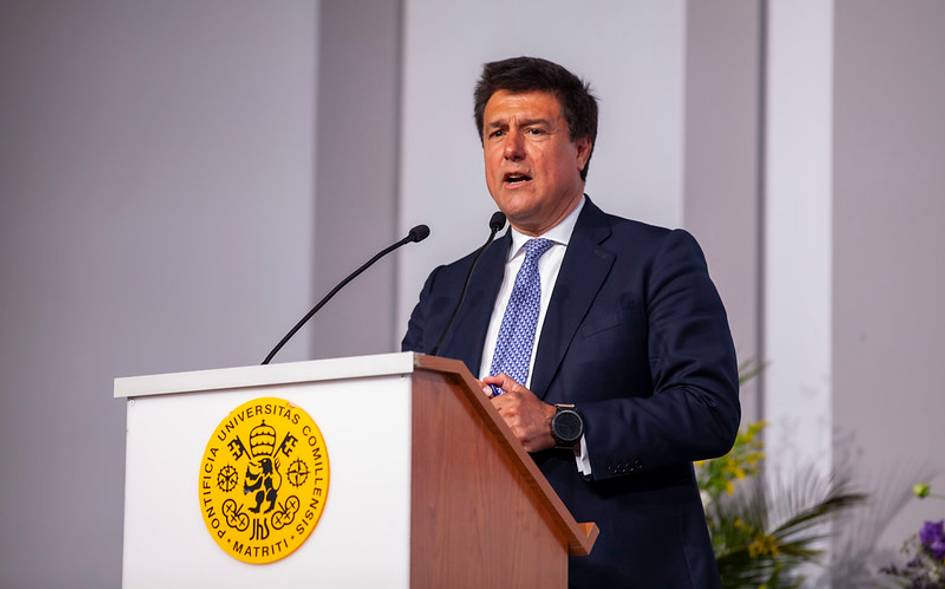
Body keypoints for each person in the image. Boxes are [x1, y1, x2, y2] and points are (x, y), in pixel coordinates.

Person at [402, 56, 740, 588]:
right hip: (469, 565)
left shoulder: (652, 259)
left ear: (581, 148)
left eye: (534, 130)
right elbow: (409, 426)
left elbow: (708, 410)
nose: (511, 149)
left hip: (617, 570)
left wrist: (562, 424)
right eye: (496, 133)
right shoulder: (449, 287)